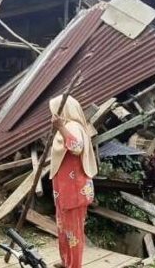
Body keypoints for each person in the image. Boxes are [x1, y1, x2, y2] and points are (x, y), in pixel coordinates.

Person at [49, 95, 98, 268]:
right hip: (64, 190)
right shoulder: (67, 127)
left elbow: (76, 148)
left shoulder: (73, 127)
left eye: (55, 112)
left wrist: (61, 127)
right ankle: (66, 262)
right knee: (64, 230)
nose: (53, 116)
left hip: (74, 191)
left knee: (74, 233)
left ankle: (74, 265)